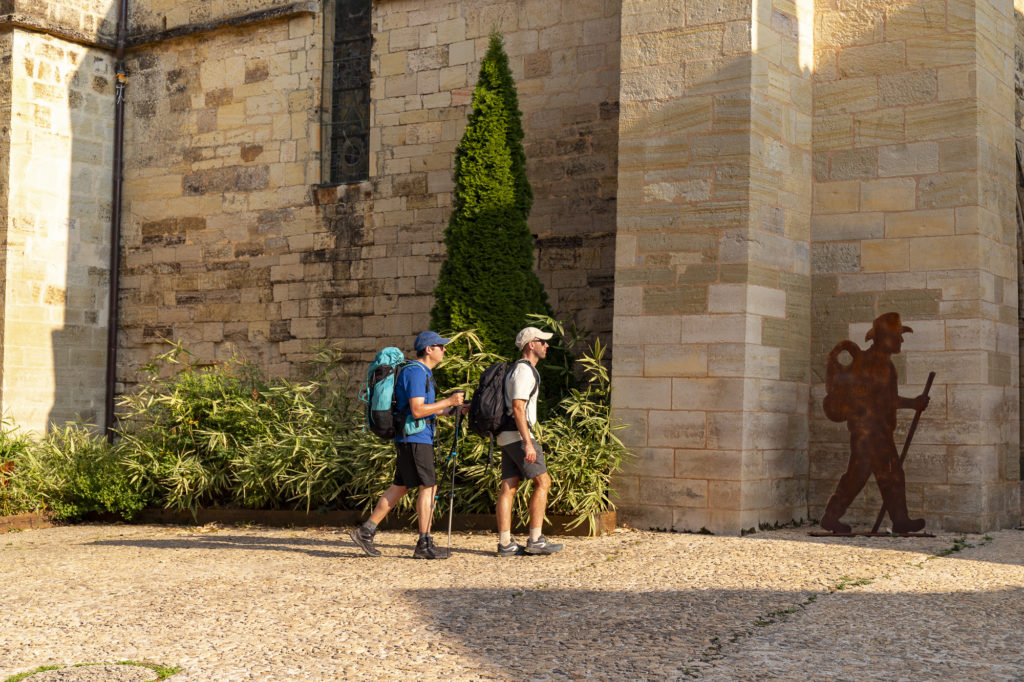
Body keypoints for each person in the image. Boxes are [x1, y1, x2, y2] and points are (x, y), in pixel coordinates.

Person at [349, 331, 465, 559]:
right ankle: (424, 542)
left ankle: (366, 532)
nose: (444, 350)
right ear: (428, 349)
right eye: (440, 346)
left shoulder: (422, 373)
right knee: (428, 487)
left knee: (401, 486)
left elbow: (425, 410)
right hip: (415, 439)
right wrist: (449, 401)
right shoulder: (416, 373)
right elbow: (417, 410)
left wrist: (452, 410)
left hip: (410, 437)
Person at [820, 312, 929, 534]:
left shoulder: (881, 363)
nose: (901, 340)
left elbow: (886, 400)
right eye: (898, 336)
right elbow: (887, 400)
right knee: (876, 475)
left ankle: (898, 520)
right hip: (870, 432)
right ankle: (898, 520)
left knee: (879, 475)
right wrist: (914, 403)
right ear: (885, 338)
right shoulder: (876, 364)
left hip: (874, 431)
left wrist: (913, 404)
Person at [494, 326, 563, 557]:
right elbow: (518, 407)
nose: (546, 345)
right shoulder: (523, 371)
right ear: (530, 345)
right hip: (519, 436)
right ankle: (535, 540)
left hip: (506, 435)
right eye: (542, 341)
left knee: (509, 486)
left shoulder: (518, 370)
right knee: (543, 482)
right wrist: (528, 443)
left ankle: (506, 543)